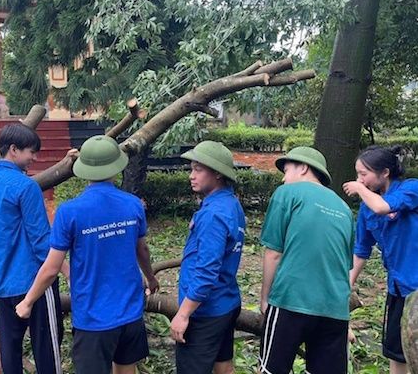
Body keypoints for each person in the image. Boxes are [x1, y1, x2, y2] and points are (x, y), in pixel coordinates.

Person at [16, 135, 159, 374]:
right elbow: (142, 250)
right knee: (126, 369)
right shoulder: (133, 204)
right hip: (130, 312)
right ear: (116, 167)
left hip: (93, 318)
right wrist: (151, 278)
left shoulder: (69, 212)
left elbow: (52, 268)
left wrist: (27, 301)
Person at [0, 124, 63, 374]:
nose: (34, 158)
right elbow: (42, 241)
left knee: (9, 349)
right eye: (31, 152)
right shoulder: (26, 186)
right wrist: (66, 270)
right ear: (13, 149)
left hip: (1, 280)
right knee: (47, 348)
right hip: (35, 281)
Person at [259, 147, 354, 374]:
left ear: (303, 168)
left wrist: (265, 300)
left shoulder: (286, 194)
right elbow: (344, 265)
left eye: (287, 170)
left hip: (290, 300)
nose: (283, 178)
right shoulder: (344, 208)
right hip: (335, 310)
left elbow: (273, 253)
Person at [169, 141, 245, 374]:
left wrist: (183, 314)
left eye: (198, 170)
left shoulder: (213, 214)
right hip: (227, 301)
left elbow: (206, 271)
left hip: (206, 311)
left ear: (218, 174)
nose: (192, 176)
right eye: (192, 169)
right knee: (223, 365)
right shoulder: (231, 204)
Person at [343, 146, 418, 374]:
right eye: (357, 175)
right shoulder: (366, 211)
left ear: (384, 172)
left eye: (363, 174)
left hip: (416, 288)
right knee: (396, 352)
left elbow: (383, 206)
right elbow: (361, 251)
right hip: (397, 290)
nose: (359, 180)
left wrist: (359, 189)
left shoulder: (411, 188)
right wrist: (346, 286)